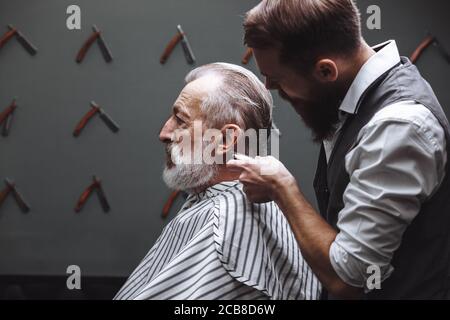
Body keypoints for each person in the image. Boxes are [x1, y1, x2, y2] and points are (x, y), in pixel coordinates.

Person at [227, 0, 450, 299]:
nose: (268, 87)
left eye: (277, 79)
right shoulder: (349, 100)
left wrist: (282, 187)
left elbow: (350, 280)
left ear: (325, 71)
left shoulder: (398, 128)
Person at [114, 63, 320, 300]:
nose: (164, 133)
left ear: (225, 139)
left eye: (180, 120)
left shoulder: (224, 220)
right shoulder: (226, 203)